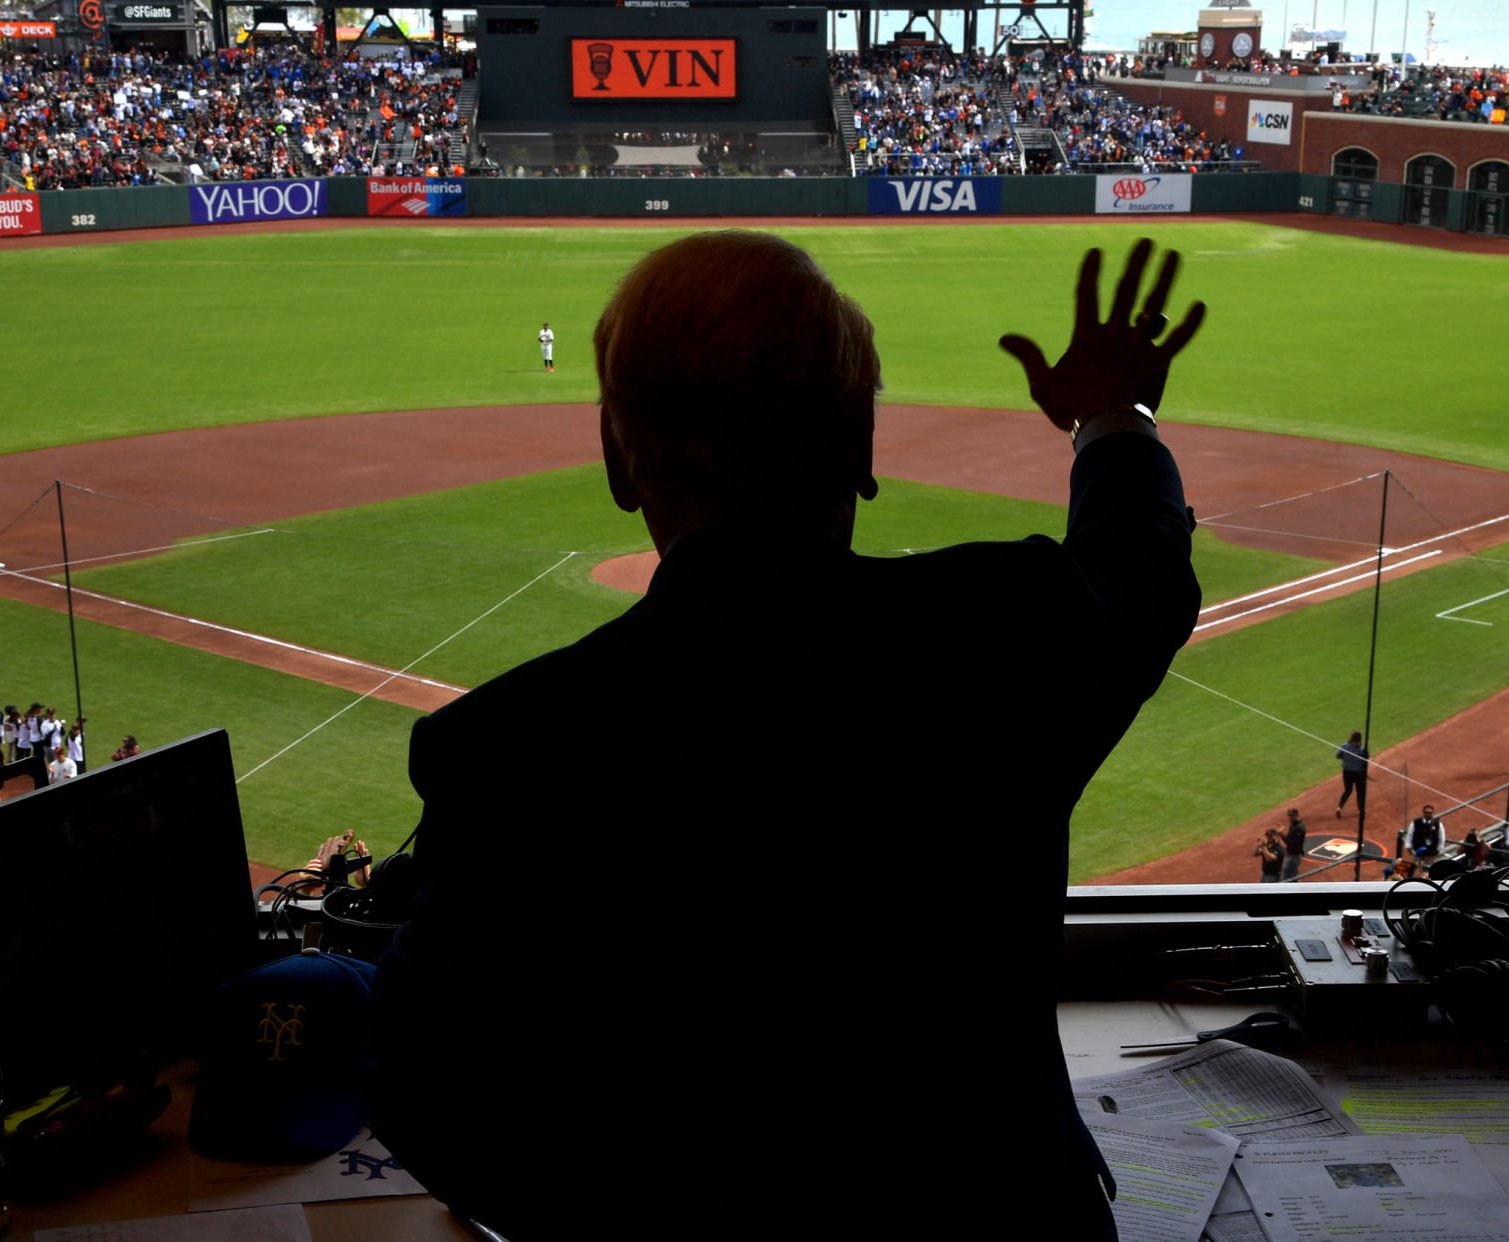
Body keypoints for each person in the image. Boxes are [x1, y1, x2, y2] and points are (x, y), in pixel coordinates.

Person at [369, 233, 1206, 1239]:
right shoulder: (1003, 632)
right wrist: (1115, 414)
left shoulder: (510, 747)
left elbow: (426, 1095)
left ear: (615, 459)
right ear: (859, 450)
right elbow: (1141, 568)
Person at [1334, 730, 1369, 817]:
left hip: (1347, 772)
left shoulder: (1345, 746)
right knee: (1359, 792)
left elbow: (1338, 755)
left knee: (1348, 790)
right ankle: (1360, 810)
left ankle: (1339, 807)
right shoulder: (1362, 750)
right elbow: (1365, 762)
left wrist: (1346, 758)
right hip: (1358, 774)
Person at [1280, 807, 1307, 880]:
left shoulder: (1300, 828)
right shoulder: (1293, 825)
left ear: (1296, 815)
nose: (1289, 817)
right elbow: (1289, 839)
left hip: (1294, 856)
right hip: (1291, 854)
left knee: (1286, 877)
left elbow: (1291, 843)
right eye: (1289, 815)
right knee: (1293, 876)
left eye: (1291, 816)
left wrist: (1282, 835)